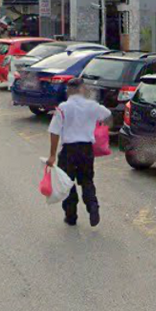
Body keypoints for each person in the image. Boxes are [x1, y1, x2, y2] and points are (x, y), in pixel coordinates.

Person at [45, 78, 112, 228]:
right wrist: (99, 126)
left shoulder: (63, 107)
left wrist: (52, 155)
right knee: (87, 180)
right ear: (82, 89)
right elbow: (107, 115)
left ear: (69, 90)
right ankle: (92, 206)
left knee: (67, 183)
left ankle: (71, 216)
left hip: (69, 150)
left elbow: (54, 131)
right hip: (86, 149)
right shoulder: (92, 106)